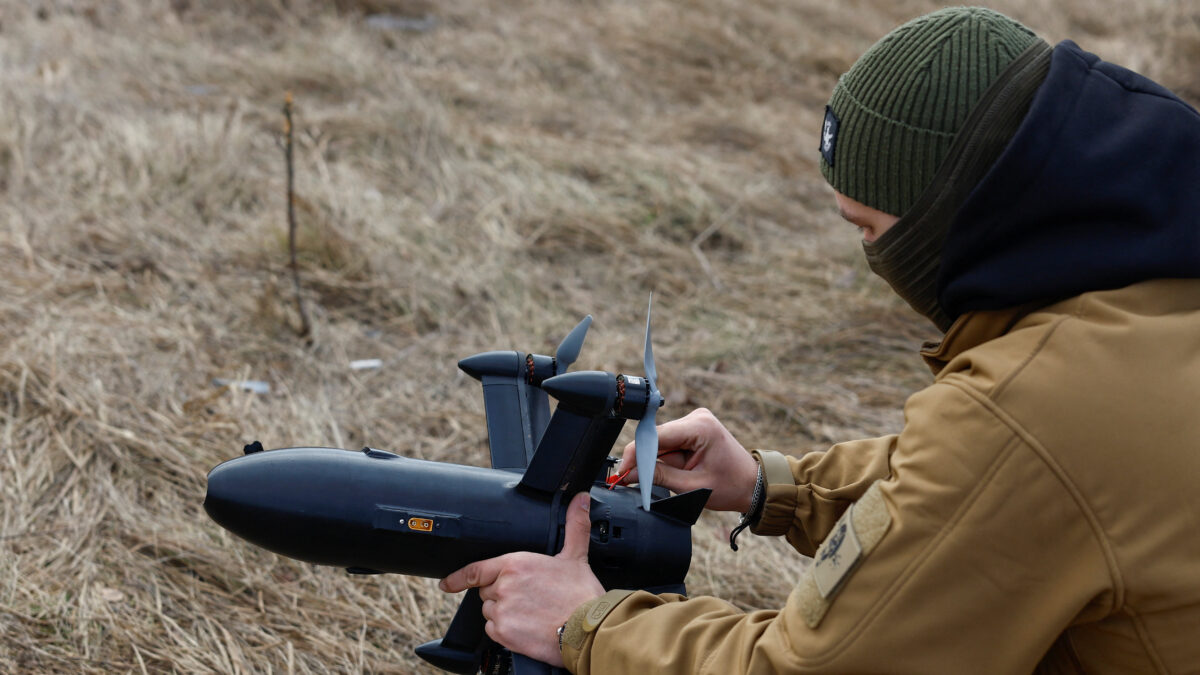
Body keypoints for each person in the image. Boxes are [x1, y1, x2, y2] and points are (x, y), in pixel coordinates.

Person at [440, 6, 1200, 672]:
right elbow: (1018, 493)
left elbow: (820, 667)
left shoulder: (1031, 409)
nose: (872, 261)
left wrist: (587, 625)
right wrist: (778, 487)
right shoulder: (1149, 289)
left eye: (871, 228)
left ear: (961, 209)